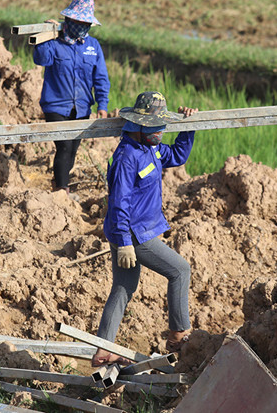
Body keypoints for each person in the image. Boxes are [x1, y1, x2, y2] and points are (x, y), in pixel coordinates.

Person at [92, 91, 198, 366]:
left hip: (134, 232)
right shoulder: (127, 157)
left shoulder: (151, 147)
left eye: (163, 125)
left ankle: (103, 348)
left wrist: (188, 127)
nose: (161, 131)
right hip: (134, 235)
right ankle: (178, 336)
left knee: (123, 287)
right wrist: (125, 242)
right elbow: (118, 203)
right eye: (155, 126)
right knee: (180, 270)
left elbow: (176, 156)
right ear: (138, 125)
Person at [33, 0, 110, 194]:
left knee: (73, 149)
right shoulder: (55, 42)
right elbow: (41, 59)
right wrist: (45, 34)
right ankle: (62, 190)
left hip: (82, 107)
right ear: (69, 19)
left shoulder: (93, 47)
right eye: (79, 20)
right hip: (56, 106)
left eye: (86, 22)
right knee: (65, 146)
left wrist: (102, 105)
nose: (82, 25)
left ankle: (58, 183)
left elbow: (101, 78)